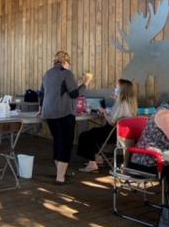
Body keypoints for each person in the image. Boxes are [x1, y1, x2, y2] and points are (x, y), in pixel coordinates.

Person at [39, 51, 93, 184]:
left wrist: (40, 109)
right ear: (65, 62)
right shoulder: (66, 73)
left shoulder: (47, 73)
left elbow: (41, 93)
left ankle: (60, 172)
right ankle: (60, 178)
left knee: (58, 142)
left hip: (48, 113)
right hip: (63, 113)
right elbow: (74, 94)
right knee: (66, 144)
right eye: (69, 63)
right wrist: (86, 82)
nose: (70, 65)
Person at [77, 78, 138, 173]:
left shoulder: (121, 103)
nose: (115, 89)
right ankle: (98, 158)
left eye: (117, 87)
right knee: (93, 131)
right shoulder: (131, 103)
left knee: (85, 136)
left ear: (122, 89)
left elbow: (111, 122)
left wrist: (104, 112)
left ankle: (92, 163)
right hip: (123, 134)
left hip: (113, 133)